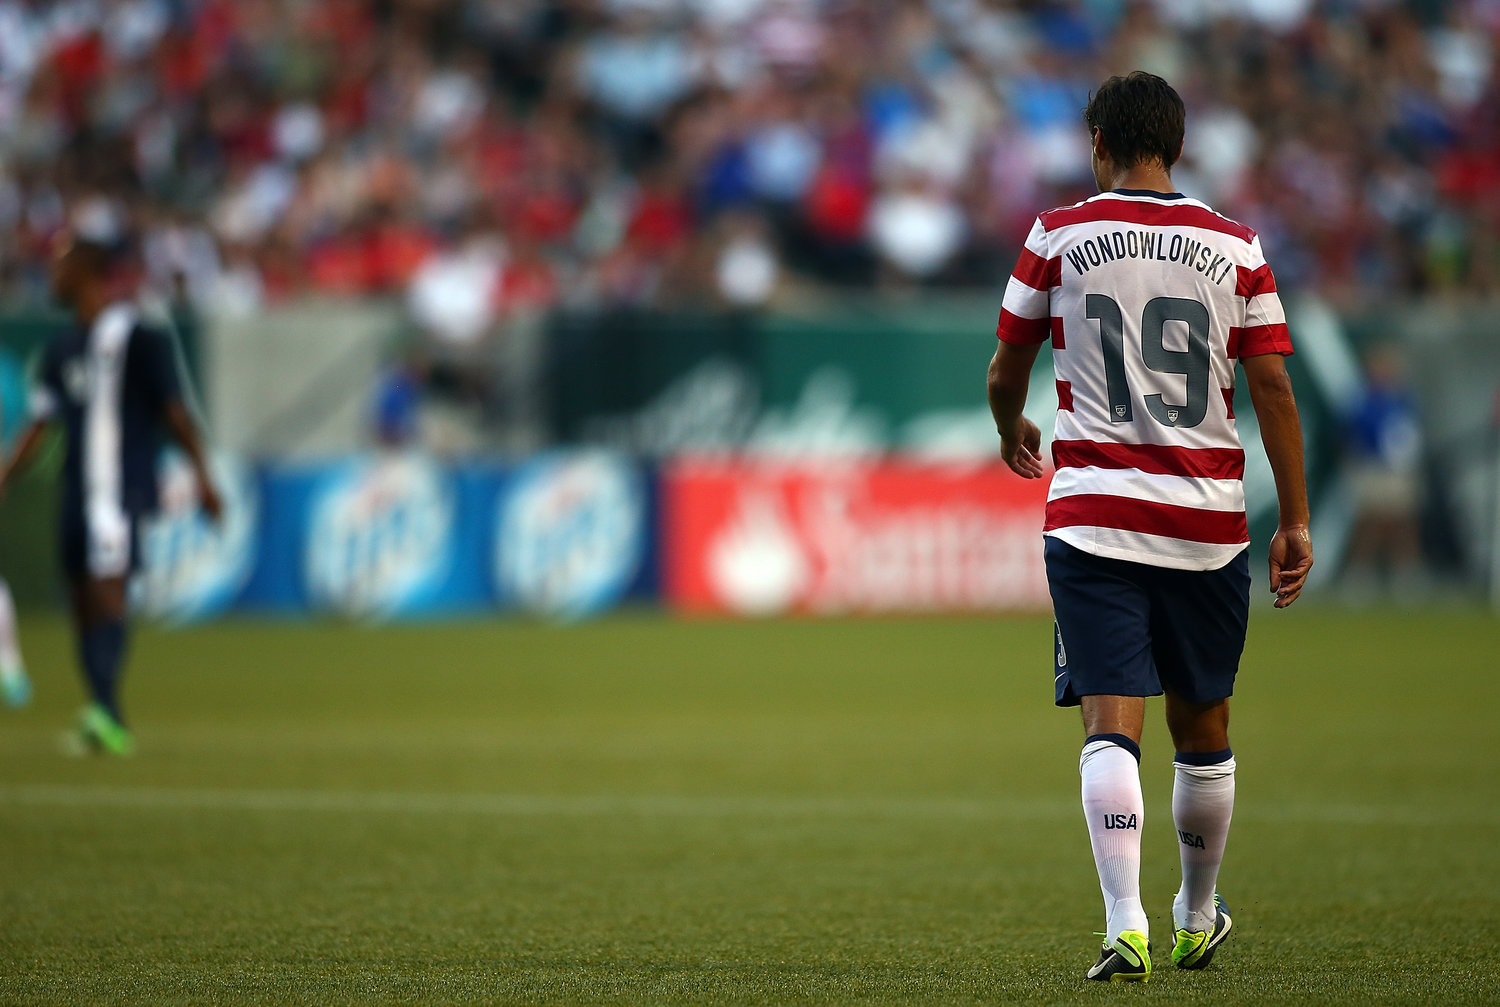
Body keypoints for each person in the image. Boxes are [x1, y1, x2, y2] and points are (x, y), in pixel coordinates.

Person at [986, 72, 1312, 983]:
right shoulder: (1237, 246)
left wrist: (1007, 421)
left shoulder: (1056, 235)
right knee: (1203, 725)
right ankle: (1197, 912)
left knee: (1109, 722)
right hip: (1207, 523)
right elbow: (1275, 386)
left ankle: (1123, 921)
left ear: (1097, 141)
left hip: (1093, 520)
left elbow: (1009, 360)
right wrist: (1296, 519)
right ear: (1176, 144)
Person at [0, 228, 222, 755]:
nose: (52, 276)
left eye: (60, 267)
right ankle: (103, 710)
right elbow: (40, 422)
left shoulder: (138, 337)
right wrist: (5, 475)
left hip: (118, 493)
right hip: (75, 490)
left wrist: (204, 478)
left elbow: (175, 412)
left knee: (107, 593)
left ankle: (108, 714)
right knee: (81, 601)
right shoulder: (62, 348)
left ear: (87, 273)